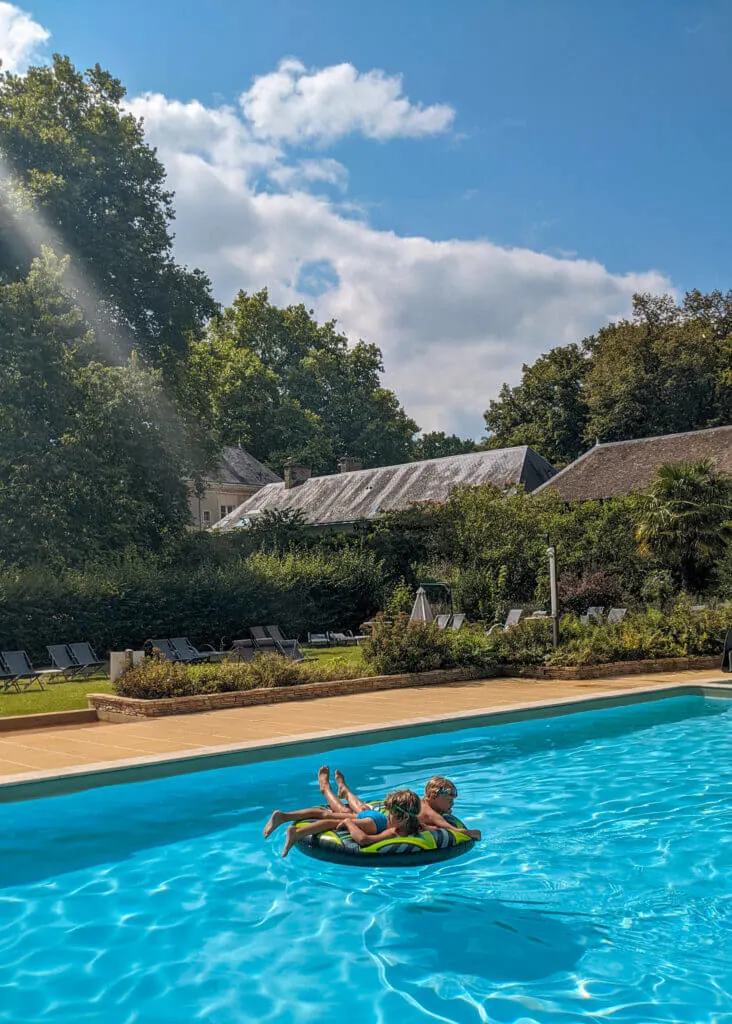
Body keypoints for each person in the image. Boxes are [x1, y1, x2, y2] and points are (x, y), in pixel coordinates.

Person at [280, 787, 422, 858]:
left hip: (372, 817)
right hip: (371, 819)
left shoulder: (414, 825)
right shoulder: (394, 832)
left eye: (391, 813)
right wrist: (349, 823)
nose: (388, 816)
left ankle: (334, 788)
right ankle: (297, 832)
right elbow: (363, 840)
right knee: (330, 818)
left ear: (404, 818)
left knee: (336, 812)